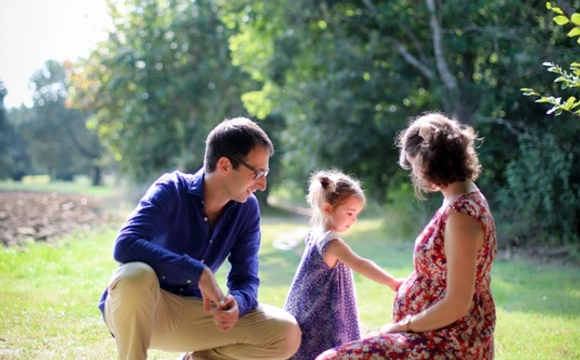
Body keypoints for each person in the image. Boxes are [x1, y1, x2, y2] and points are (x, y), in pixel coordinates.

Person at [98, 117, 301, 360]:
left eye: (265, 172)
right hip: (145, 310)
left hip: (195, 315)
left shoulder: (246, 209)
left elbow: (246, 277)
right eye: (257, 172)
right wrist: (198, 272)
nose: (263, 184)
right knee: (134, 275)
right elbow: (125, 244)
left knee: (286, 332)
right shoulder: (171, 189)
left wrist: (238, 303)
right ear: (225, 165)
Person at [317, 112, 497, 360]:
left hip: (448, 343)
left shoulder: (462, 215)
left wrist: (404, 325)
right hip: (434, 334)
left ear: (429, 161)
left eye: (414, 165)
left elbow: (457, 303)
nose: (415, 173)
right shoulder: (459, 200)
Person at [283, 169, 402, 360]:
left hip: (309, 307)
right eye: (349, 213)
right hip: (320, 317)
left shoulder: (316, 233)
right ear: (328, 209)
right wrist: (392, 282)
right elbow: (361, 264)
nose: (353, 220)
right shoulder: (332, 244)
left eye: (356, 214)